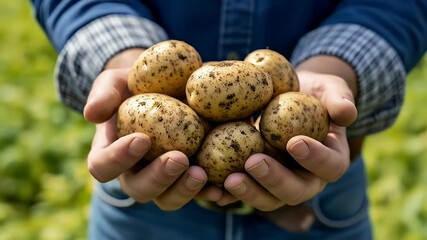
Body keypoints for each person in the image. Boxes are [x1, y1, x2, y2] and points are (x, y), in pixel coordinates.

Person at [31, 1, 427, 239]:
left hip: (319, 206)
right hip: (141, 205)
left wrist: (339, 65)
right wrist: (122, 58)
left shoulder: (269, 93)